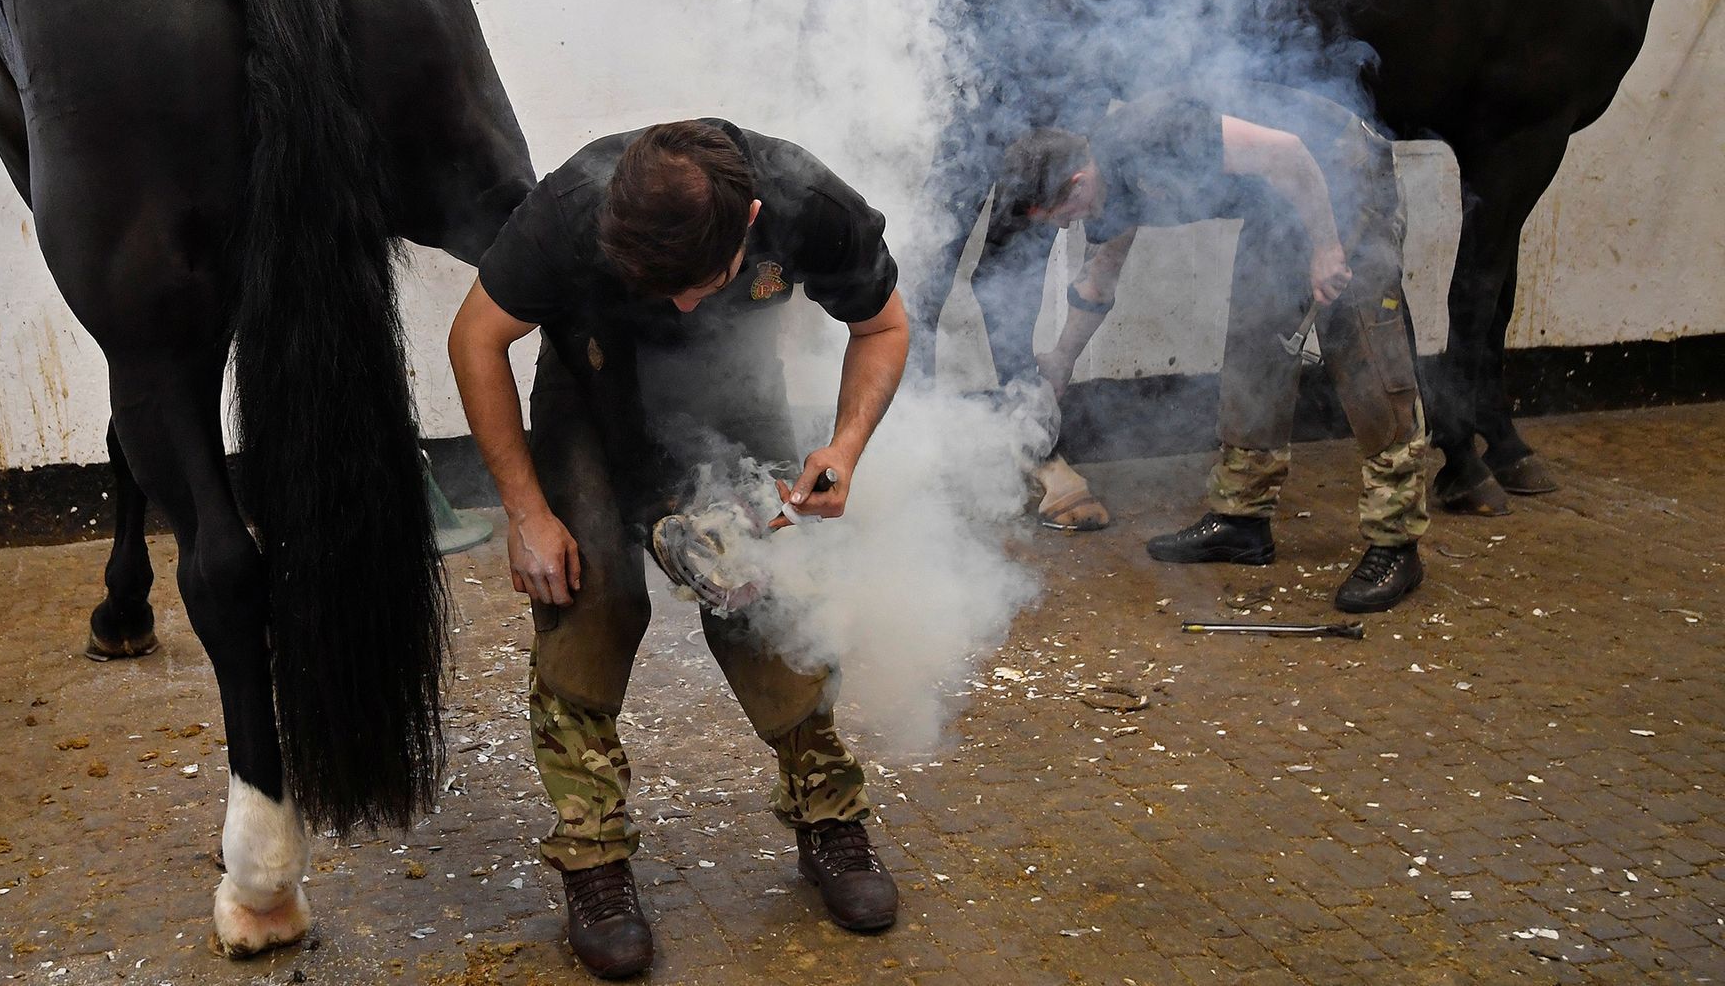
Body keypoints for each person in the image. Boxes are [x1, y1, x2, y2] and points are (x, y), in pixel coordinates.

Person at [448, 119, 909, 979]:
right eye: (662, 287)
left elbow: (882, 327)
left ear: (753, 220)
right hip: (592, 398)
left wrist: (842, 449)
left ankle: (829, 815)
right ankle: (594, 860)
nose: (685, 306)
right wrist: (524, 512)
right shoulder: (568, 211)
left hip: (731, 397)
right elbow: (474, 337)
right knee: (588, 598)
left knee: (768, 594)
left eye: (703, 284)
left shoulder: (810, 204)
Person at [1003, 82, 1428, 613]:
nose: (1068, 226)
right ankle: (1242, 519)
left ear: (1076, 181)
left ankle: (1396, 542)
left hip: (1342, 176)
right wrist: (1061, 361)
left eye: (1060, 216)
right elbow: (1099, 279)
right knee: (1254, 340)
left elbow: (1289, 152)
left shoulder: (1156, 137)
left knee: (1363, 348)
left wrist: (1325, 247)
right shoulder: (1104, 194)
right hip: (1279, 201)